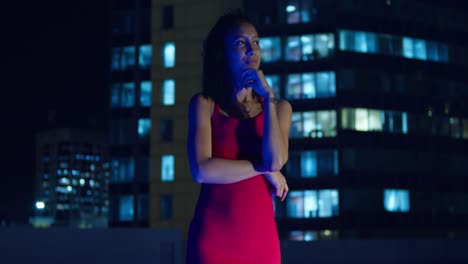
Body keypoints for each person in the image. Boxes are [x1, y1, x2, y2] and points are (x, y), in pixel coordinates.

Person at [186, 10, 292, 264]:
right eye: (240, 43)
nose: (251, 50)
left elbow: (275, 161)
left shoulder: (279, 108)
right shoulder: (204, 104)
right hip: (213, 241)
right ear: (222, 54)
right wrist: (261, 168)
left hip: (261, 242)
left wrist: (267, 97)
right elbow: (202, 170)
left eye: (255, 42)